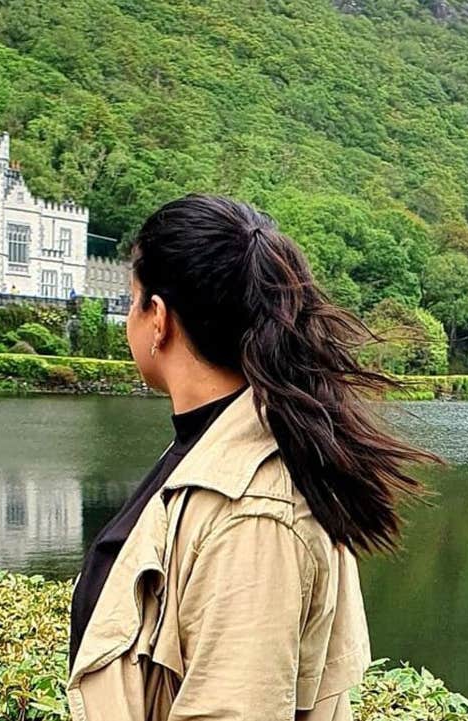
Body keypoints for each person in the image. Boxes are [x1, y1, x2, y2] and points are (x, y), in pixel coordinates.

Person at [66, 195, 440, 721]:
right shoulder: (212, 447)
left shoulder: (256, 514)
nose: (130, 317)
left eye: (133, 301)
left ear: (159, 319)